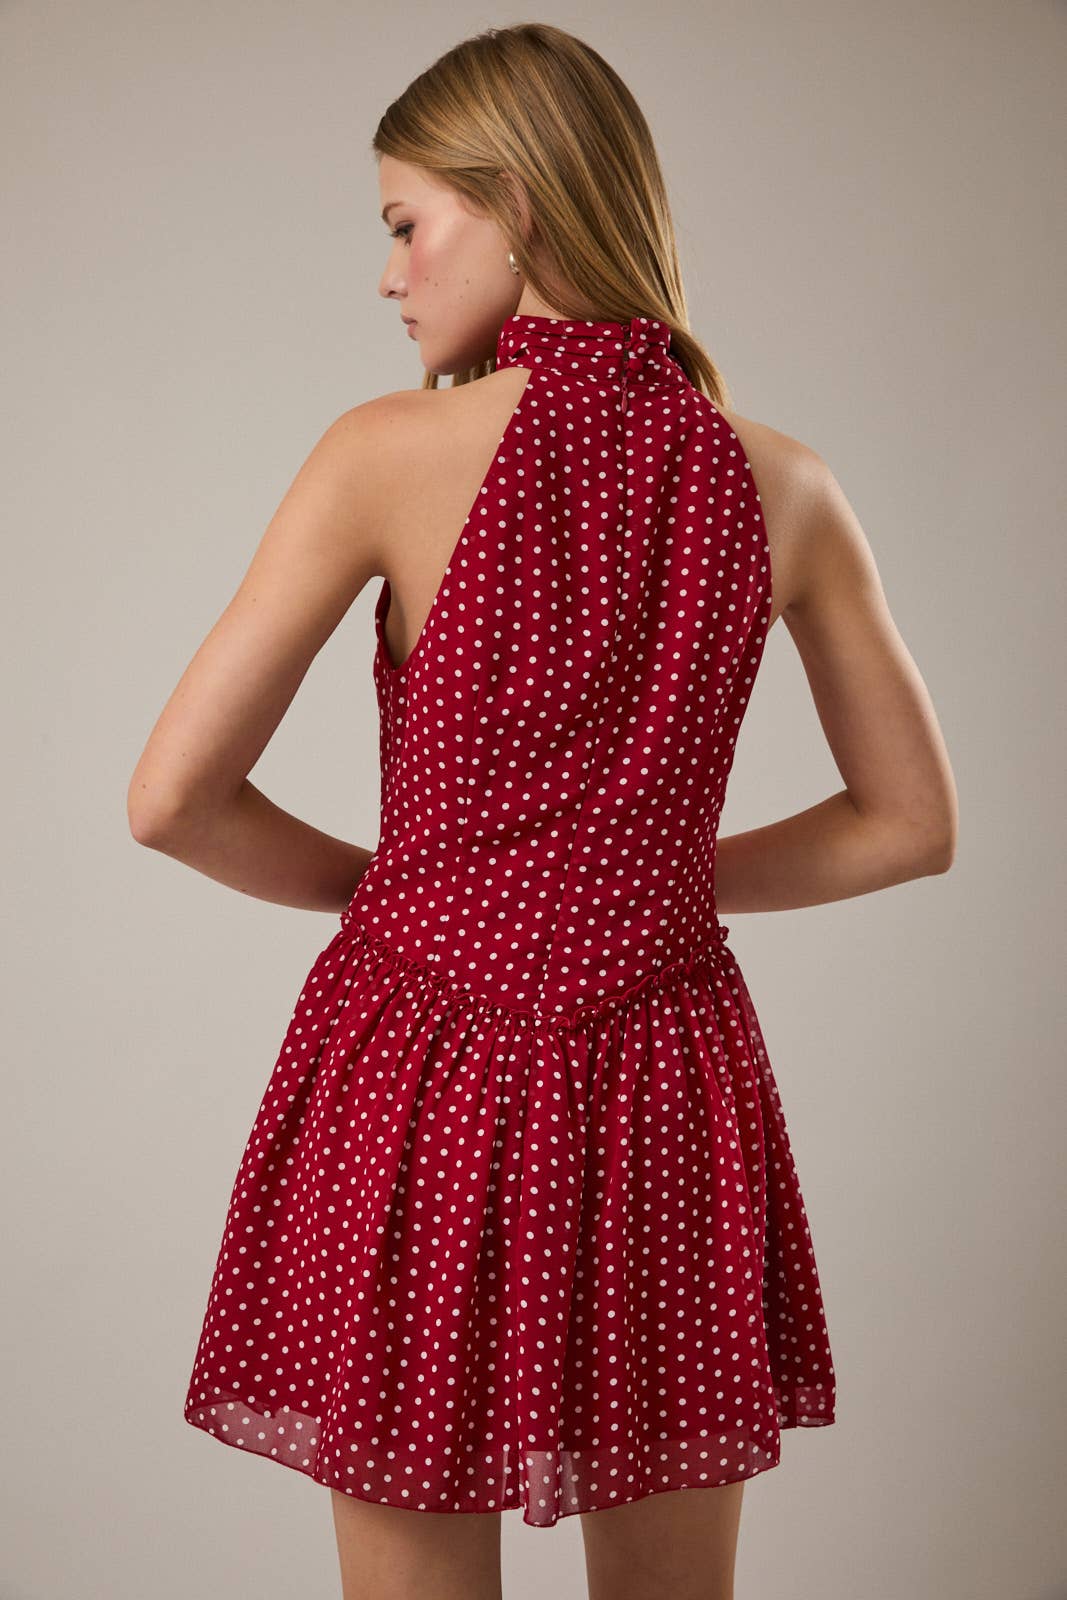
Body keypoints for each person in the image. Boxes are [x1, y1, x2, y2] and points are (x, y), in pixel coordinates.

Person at [127, 22, 957, 1600]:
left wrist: (404, 884)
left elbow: (172, 798)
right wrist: (635, 870)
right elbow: (911, 823)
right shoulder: (784, 485)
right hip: (665, 1080)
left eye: (403, 222)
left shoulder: (382, 455)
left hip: (418, 1064)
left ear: (514, 206)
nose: (389, 275)